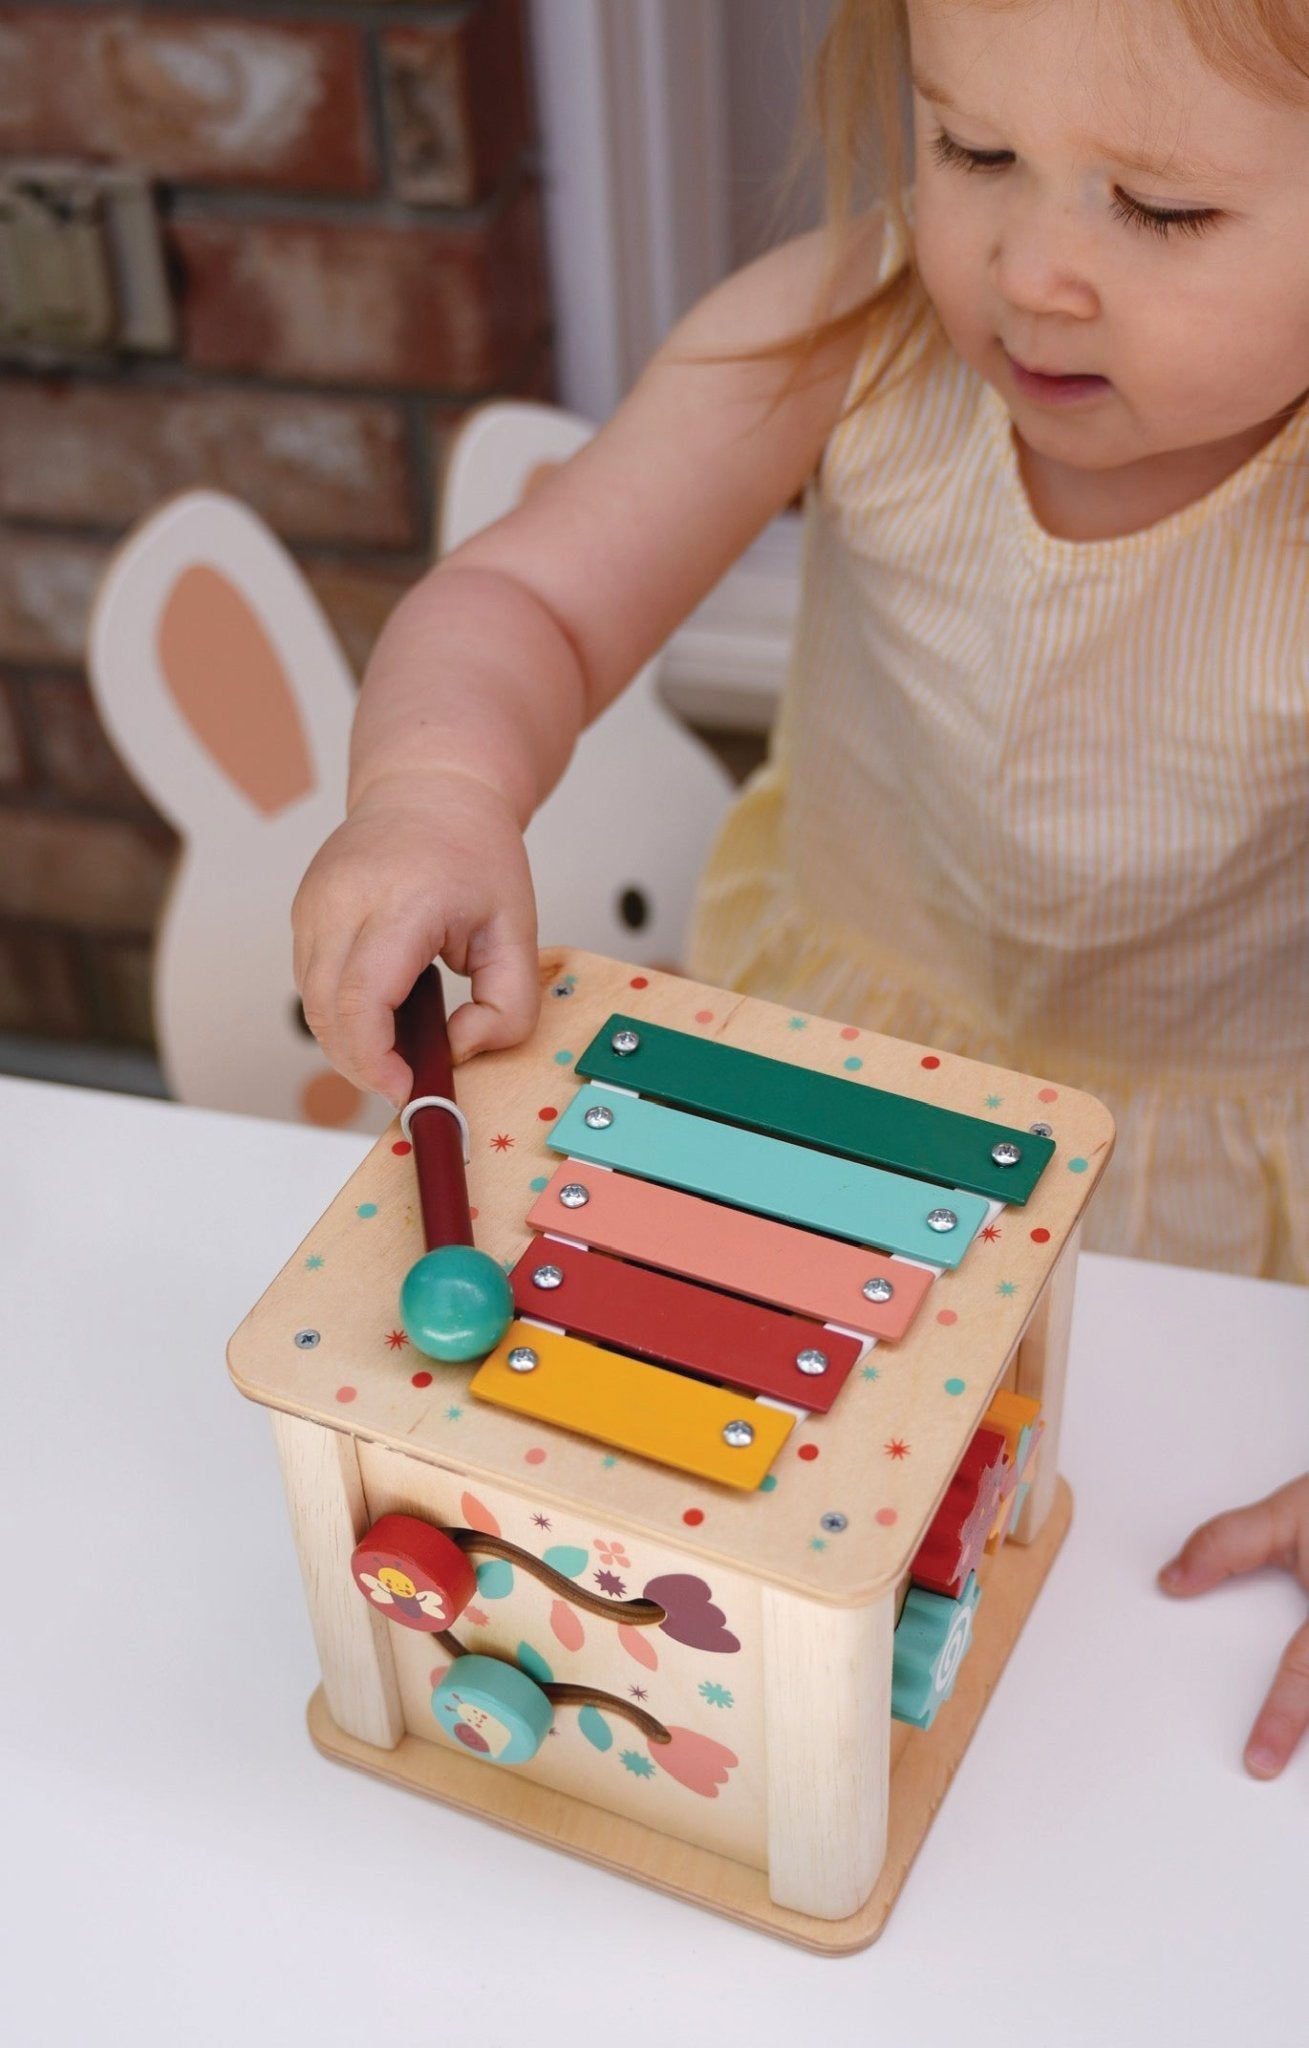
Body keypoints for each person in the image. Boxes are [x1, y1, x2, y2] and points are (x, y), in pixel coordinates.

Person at [292, 0, 1309, 1775]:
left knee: (1074, 1700)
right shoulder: (853, 328)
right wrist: (432, 791)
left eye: (1160, 208)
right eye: (971, 148)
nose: (1029, 271)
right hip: (807, 1118)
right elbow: (532, 600)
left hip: (1207, 1225)